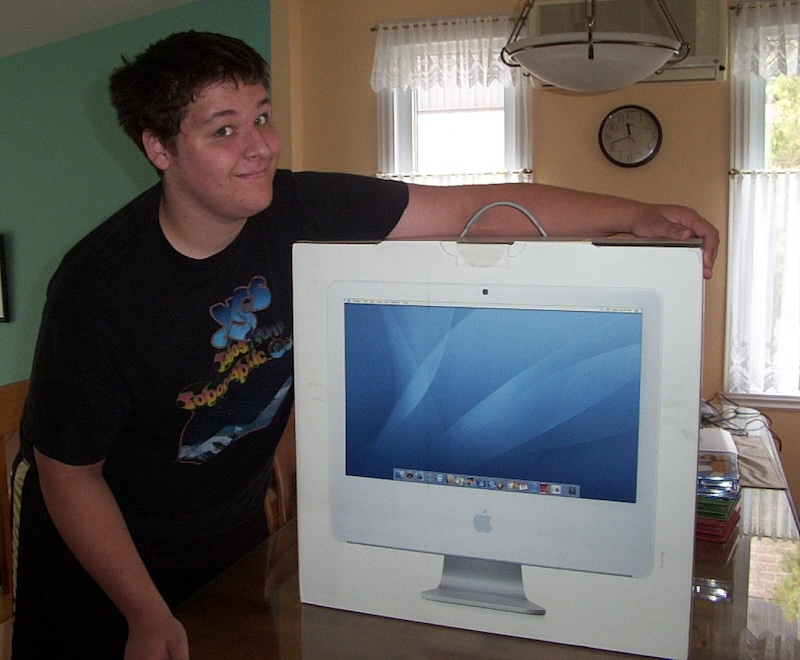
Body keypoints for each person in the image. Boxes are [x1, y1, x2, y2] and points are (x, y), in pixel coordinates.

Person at [11, 30, 719, 660]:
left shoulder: (297, 207)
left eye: (262, 116)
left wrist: (640, 214)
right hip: (98, 564)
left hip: (222, 530)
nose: (260, 145)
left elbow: (472, 207)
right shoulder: (100, 289)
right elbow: (69, 473)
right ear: (159, 148)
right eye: (223, 130)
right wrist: (144, 612)